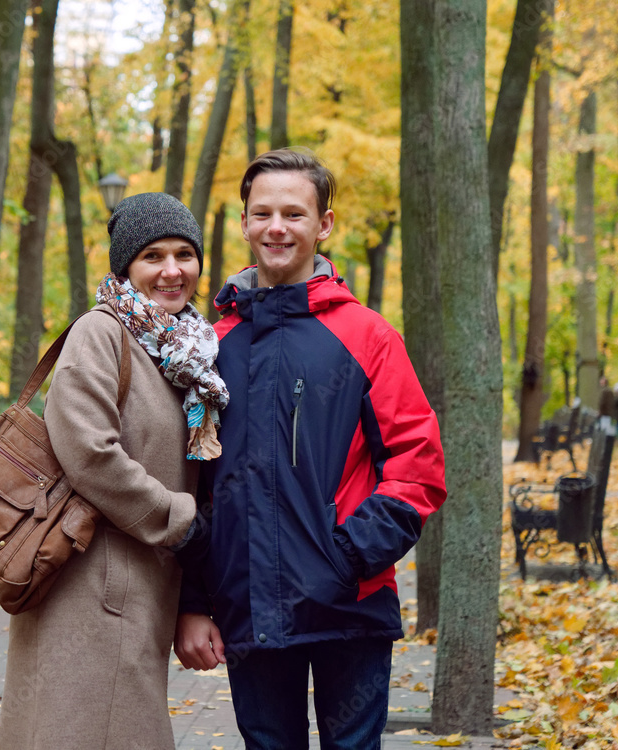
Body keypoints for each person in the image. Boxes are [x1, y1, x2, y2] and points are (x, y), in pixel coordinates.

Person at [173, 149, 446, 750]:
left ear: (323, 224)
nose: (276, 227)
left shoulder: (367, 336)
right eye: (262, 213)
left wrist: (346, 558)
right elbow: (193, 484)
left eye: (293, 214)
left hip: (350, 604)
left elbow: (417, 465)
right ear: (243, 222)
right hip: (246, 605)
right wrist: (192, 602)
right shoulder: (211, 349)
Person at [0, 192, 229, 750]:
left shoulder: (184, 351)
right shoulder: (102, 334)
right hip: (89, 583)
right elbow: (89, 453)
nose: (172, 271)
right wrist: (181, 520)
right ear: (126, 266)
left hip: (138, 583)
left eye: (184, 254)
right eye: (153, 256)